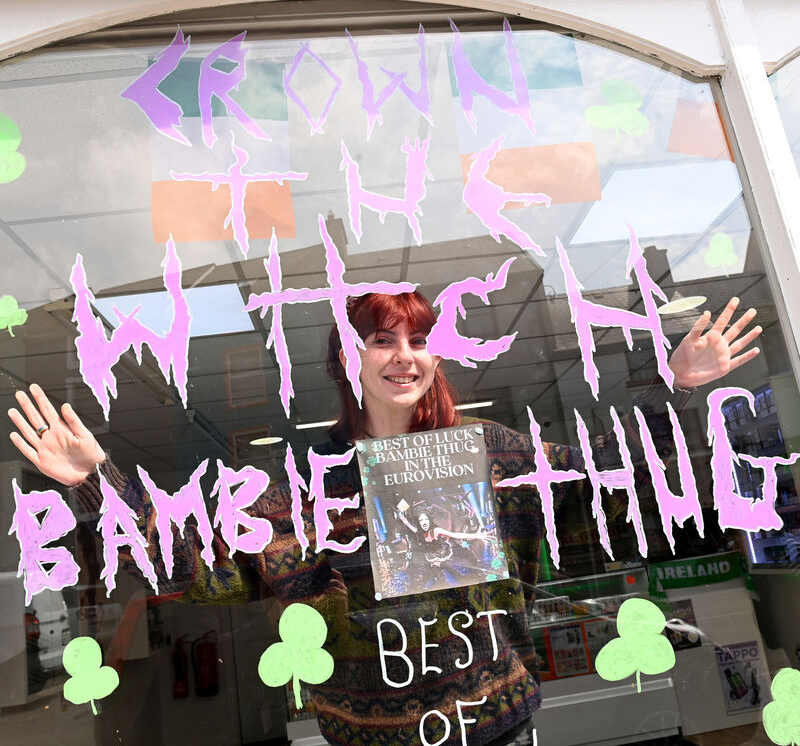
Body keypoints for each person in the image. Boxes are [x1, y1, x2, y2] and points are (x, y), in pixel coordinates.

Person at [7, 292, 760, 746]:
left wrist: (673, 387)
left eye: (419, 340)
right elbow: (203, 568)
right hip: (372, 737)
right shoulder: (309, 483)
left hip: (498, 725)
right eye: (382, 340)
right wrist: (99, 484)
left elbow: (598, 474)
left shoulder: (486, 450)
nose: (404, 356)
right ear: (349, 359)